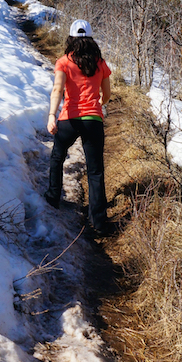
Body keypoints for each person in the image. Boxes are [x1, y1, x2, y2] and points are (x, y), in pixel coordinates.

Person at [45, 19, 113, 235]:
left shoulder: (64, 62)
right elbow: (107, 95)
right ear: (91, 39)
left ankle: (53, 198)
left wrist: (51, 116)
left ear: (71, 39)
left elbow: (57, 90)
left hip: (69, 119)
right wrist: (98, 104)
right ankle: (99, 222)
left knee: (57, 157)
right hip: (93, 120)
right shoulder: (99, 63)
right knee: (95, 171)